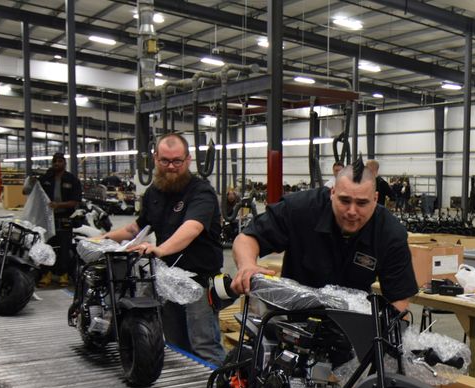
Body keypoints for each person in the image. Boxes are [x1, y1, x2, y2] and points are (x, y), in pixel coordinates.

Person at [231, 157, 418, 313]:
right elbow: (248, 237)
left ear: (376, 199)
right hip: (291, 319)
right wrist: (247, 265)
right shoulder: (300, 209)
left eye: (362, 203)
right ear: (333, 192)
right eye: (344, 200)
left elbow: (399, 300)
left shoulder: (390, 233)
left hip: (351, 326)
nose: (352, 211)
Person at [104, 133, 226, 366]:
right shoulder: (154, 192)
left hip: (198, 282)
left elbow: (192, 228)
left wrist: (160, 250)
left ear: (188, 159)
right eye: (165, 161)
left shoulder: (201, 191)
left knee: (204, 344)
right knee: (174, 343)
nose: (171, 167)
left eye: (177, 161)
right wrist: (104, 238)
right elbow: (137, 227)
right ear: (155, 159)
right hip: (167, 280)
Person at [26, 152, 83, 287]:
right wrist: (31, 182)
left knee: (64, 246)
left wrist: (58, 205)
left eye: (60, 161)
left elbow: (75, 201)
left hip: (65, 218)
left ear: (64, 163)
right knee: (46, 246)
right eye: (55, 161)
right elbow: (29, 191)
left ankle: (64, 274)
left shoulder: (72, 180)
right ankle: (47, 274)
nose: (57, 163)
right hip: (47, 218)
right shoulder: (46, 178)